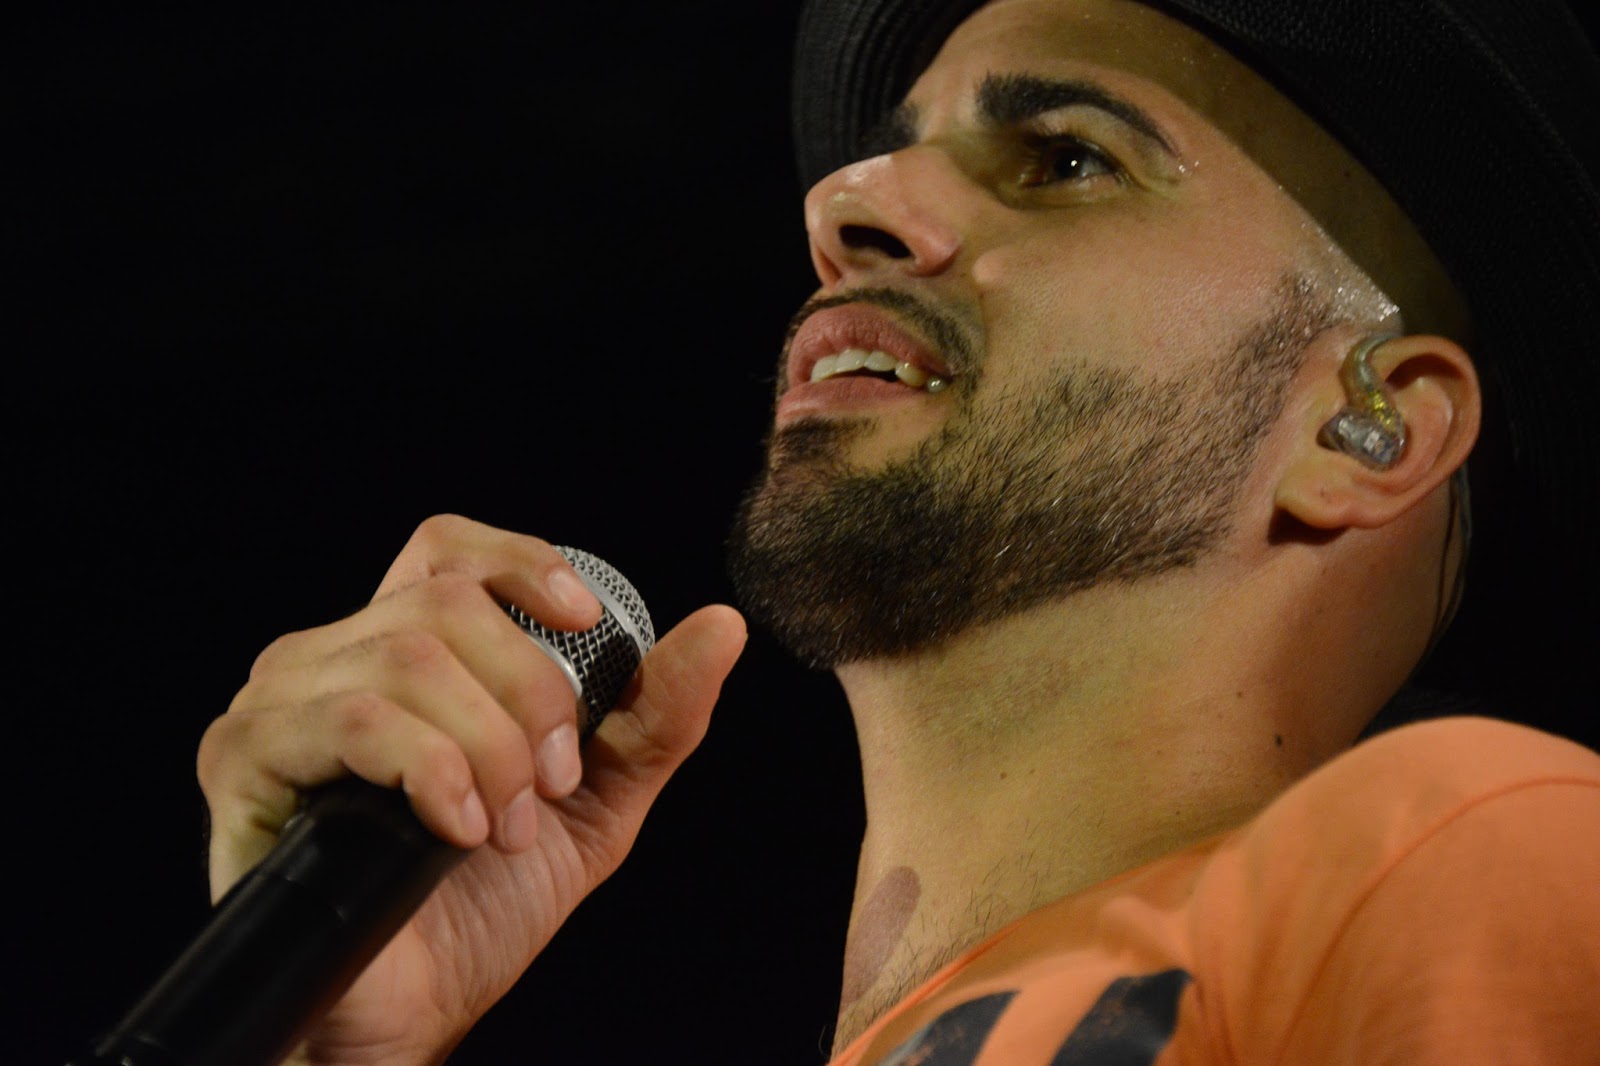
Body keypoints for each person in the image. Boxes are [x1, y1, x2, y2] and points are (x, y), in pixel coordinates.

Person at [198, 0, 1600, 1062]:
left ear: (1365, 429)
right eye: (896, 149)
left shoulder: (1477, 853)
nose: (845, 202)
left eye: (1066, 157)